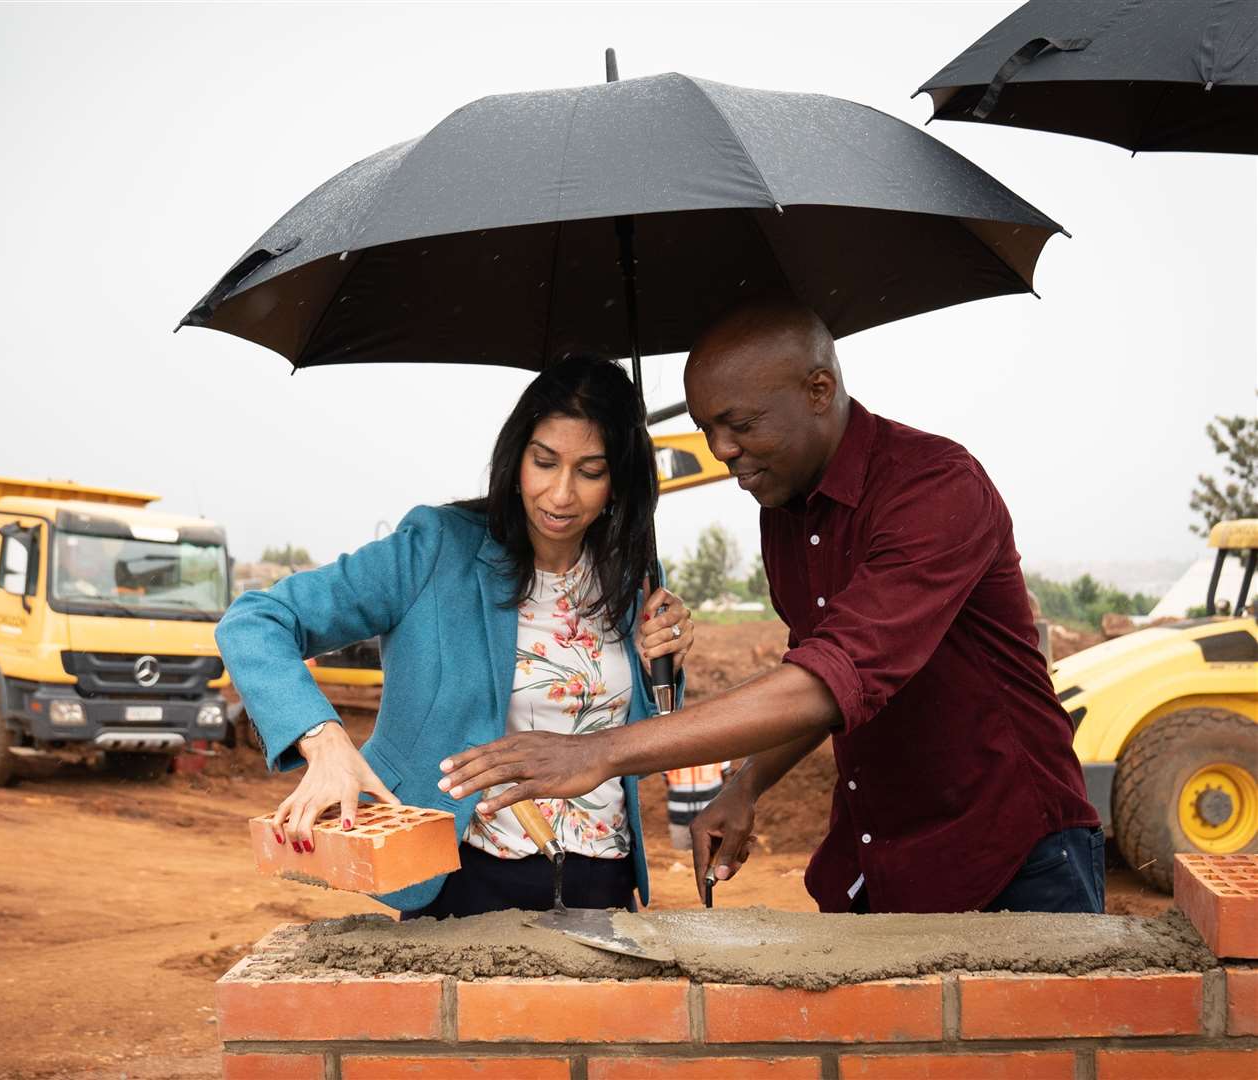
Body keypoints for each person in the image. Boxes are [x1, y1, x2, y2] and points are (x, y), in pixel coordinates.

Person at [439, 299, 1104, 916]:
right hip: (882, 853)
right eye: (707, 429)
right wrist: (748, 785)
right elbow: (817, 667)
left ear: (819, 391)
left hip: (1014, 856)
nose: (722, 450)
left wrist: (601, 752)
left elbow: (831, 679)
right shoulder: (784, 509)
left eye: (740, 424)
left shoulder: (934, 490)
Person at [217, 356, 694, 917]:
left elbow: (635, 752)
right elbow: (255, 622)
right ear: (515, 458)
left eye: (590, 472)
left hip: (601, 879)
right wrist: (324, 744)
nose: (561, 494)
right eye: (544, 463)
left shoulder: (631, 584)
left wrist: (659, 667)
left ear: (620, 482)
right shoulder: (435, 549)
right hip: (462, 876)